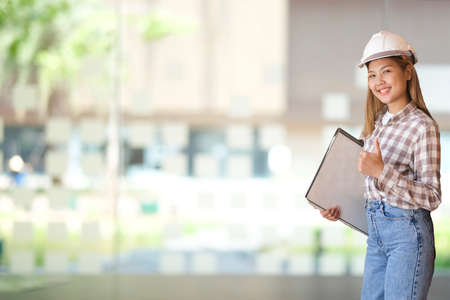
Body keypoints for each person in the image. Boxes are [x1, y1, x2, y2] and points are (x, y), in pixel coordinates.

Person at [320, 31, 441, 300]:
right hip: (376, 239)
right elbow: (374, 193)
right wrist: (341, 207)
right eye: (372, 75)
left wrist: (382, 172)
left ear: (408, 71)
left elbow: (432, 197)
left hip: (408, 239)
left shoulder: (422, 126)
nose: (378, 81)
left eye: (386, 71)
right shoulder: (375, 127)